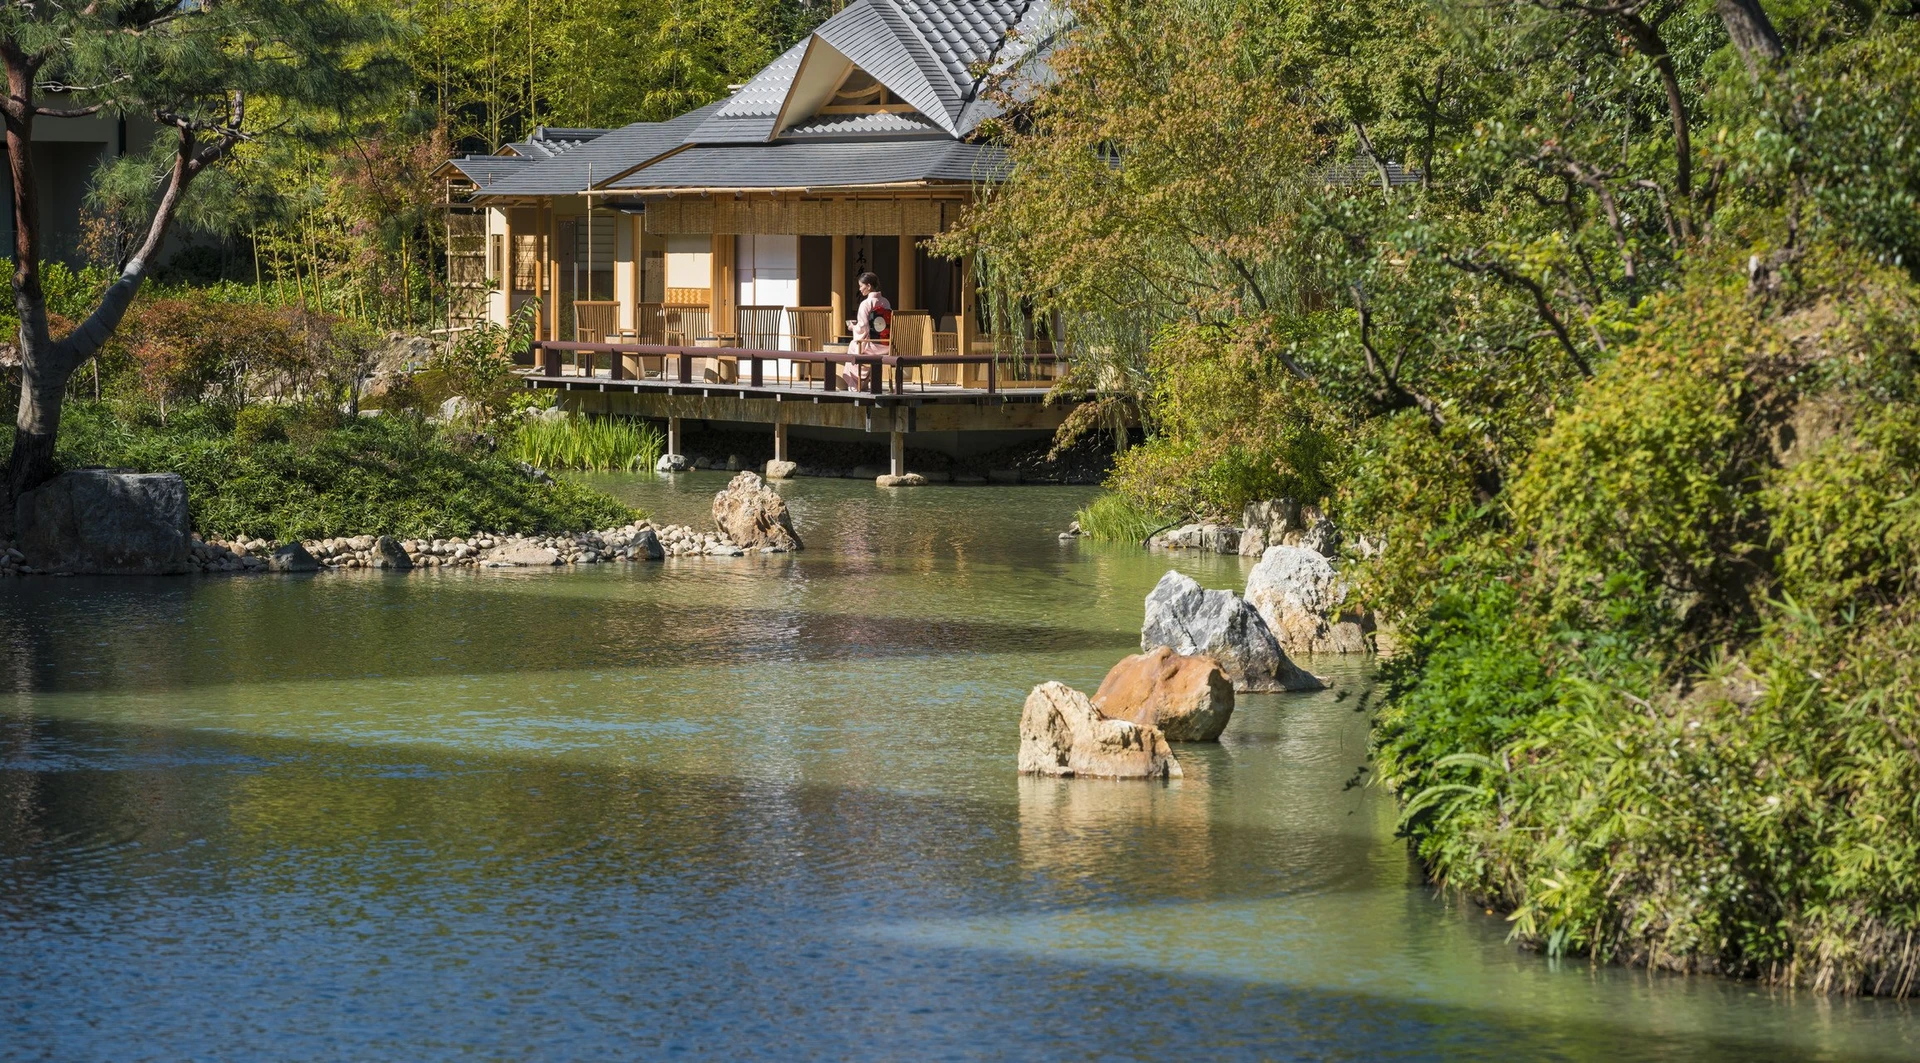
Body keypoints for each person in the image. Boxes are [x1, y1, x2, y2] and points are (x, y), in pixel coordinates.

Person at [842, 271, 891, 389]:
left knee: (853, 345)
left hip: (873, 346)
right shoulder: (886, 302)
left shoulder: (866, 304)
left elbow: (863, 327)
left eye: (861, 286)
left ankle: (857, 383)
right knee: (856, 346)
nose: (860, 289)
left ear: (869, 286)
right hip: (886, 344)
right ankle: (863, 381)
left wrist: (853, 327)